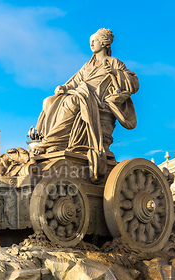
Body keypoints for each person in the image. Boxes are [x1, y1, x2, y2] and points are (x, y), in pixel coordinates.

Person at [35, 28, 139, 182]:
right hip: (82, 94)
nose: (91, 44)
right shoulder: (87, 66)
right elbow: (75, 82)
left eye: (94, 41)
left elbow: (134, 84)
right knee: (49, 101)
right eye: (90, 41)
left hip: (97, 100)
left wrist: (116, 73)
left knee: (72, 101)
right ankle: (55, 144)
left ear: (103, 43)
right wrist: (63, 87)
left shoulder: (114, 62)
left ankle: (52, 141)